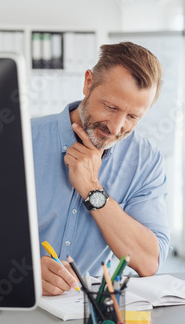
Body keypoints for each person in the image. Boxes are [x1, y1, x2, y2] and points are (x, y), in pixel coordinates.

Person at [31, 42, 171, 296]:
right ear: (88, 83)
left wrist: (92, 189)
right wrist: (25, 272)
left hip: (89, 312)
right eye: (111, 107)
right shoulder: (22, 139)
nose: (117, 128)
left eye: (132, 117)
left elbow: (149, 261)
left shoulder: (144, 160)